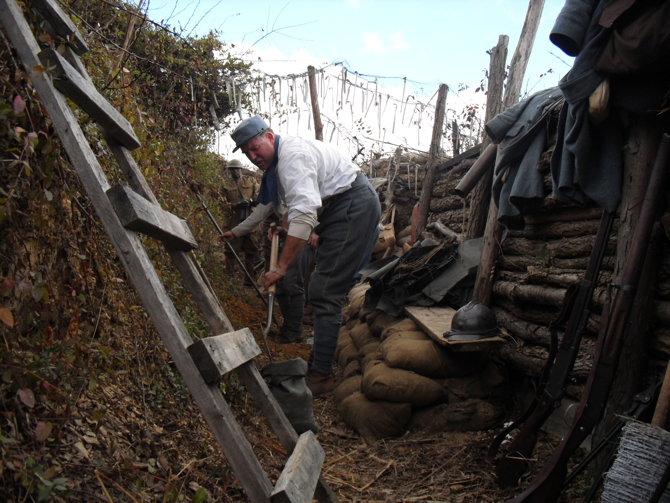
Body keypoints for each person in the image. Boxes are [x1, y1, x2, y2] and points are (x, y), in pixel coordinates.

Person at [230, 115, 381, 396]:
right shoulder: (279, 165)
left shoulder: (293, 157)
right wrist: (274, 229)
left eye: (255, 148)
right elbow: (287, 207)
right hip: (336, 208)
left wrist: (281, 267)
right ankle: (320, 364)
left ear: (270, 137)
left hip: (351, 205)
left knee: (324, 290)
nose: (253, 157)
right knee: (323, 288)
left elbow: (304, 213)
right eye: (247, 152)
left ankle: (321, 376)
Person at [222, 203, 316, 344]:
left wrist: (317, 231)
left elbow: (317, 207)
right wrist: (236, 232)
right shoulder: (274, 190)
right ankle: (288, 326)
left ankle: (295, 330)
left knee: (293, 283)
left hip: (304, 235)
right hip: (287, 235)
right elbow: (259, 214)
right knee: (279, 284)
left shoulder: (301, 184)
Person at [219, 158, 259, 286]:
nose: (235, 171)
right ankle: (230, 281)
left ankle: (249, 280)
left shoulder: (251, 181)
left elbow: (259, 195)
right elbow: (221, 204)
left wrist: (251, 202)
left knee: (251, 252)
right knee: (230, 252)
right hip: (233, 224)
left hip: (250, 224)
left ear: (241, 170)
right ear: (229, 170)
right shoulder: (225, 184)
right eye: (232, 169)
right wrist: (235, 205)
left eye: (237, 169)